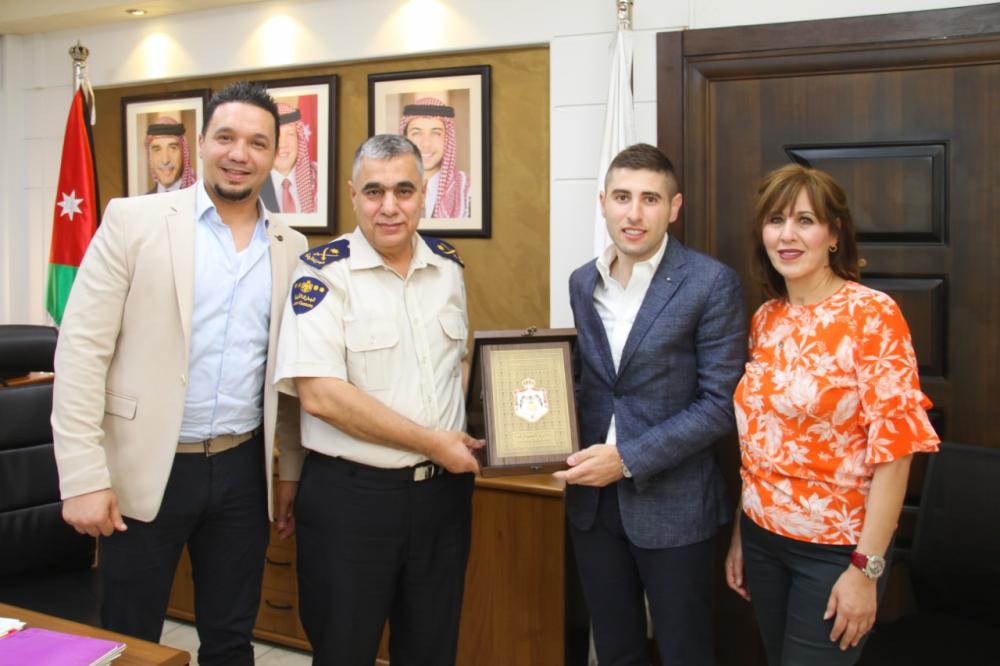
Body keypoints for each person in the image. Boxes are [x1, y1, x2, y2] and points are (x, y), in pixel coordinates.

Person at [52, 81, 308, 666]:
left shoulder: (291, 246)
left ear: (274, 154)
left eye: (257, 143)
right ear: (201, 142)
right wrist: (83, 477)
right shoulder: (134, 221)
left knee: (230, 638)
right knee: (130, 641)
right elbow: (81, 352)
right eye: (226, 137)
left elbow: (290, 376)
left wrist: (288, 471)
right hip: (145, 468)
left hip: (243, 471)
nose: (239, 154)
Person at [273, 133, 482, 665]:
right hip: (353, 502)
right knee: (344, 651)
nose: (389, 206)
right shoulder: (321, 274)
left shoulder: (448, 267)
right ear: (353, 194)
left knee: (432, 650)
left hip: (442, 500)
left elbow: (456, 364)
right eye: (374, 191)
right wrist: (433, 442)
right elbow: (320, 396)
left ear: (424, 193)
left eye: (404, 190)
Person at [724, 164, 940, 665]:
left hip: (836, 550)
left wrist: (866, 570)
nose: (787, 235)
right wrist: (741, 529)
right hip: (762, 538)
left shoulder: (873, 315)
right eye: (776, 220)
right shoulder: (766, 319)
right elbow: (760, 441)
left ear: (834, 234)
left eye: (805, 220)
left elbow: (896, 455)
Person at [555, 143, 747, 665]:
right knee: (615, 650)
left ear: (674, 207)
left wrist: (626, 459)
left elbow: (718, 405)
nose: (634, 213)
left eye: (650, 199)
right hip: (594, 507)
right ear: (603, 203)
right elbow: (589, 383)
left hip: (675, 507)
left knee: (686, 652)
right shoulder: (582, 281)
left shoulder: (711, 283)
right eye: (622, 197)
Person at [399, 97, 471, 218]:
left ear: (447, 139)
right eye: (416, 133)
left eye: (436, 133)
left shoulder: (467, 191)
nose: (426, 144)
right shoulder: (389, 188)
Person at [260, 101, 318, 213]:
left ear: (299, 138)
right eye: (276, 136)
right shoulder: (252, 185)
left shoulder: (318, 178)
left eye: (290, 134)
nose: (283, 144)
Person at [144, 116, 196, 193]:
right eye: (157, 150)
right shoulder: (145, 200)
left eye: (173, 148)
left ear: (183, 154)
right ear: (150, 157)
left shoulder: (198, 196)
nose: (165, 160)